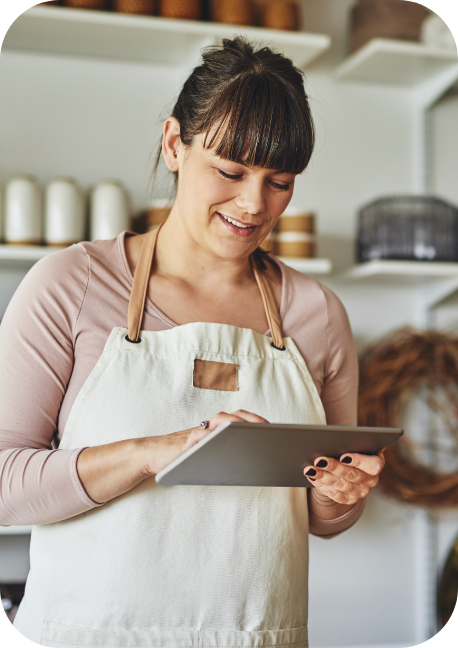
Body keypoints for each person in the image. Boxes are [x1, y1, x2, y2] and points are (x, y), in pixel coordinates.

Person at [0, 38, 384, 647]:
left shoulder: (316, 316)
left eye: (280, 182)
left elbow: (321, 517)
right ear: (175, 144)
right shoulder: (72, 286)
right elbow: (3, 485)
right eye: (230, 172)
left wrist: (340, 496)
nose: (254, 205)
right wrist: (153, 454)